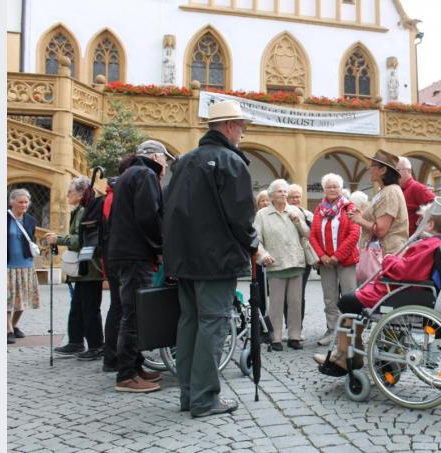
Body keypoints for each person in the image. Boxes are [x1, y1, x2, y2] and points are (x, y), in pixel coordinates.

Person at [163, 100, 257, 417]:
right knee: (212, 325)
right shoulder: (231, 162)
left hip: (185, 259)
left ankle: (189, 395)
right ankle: (204, 399)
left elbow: (168, 211)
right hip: (216, 260)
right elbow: (241, 216)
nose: (243, 133)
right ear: (228, 126)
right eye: (241, 127)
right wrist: (254, 245)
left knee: (189, 323)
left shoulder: (185, 161)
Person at [314, 200, 441, 372]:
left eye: (421, 220)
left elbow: (406, 271)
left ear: (430, 224)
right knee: (353, 303)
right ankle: (351, 351)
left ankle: (343, 355)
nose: (417, 224)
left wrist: (389, 259)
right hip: (411, 292)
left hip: (399, 292)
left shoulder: (429, 244)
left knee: (347, 302)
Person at [106, 139, 168, 393]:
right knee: (133, 314)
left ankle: (136, 366)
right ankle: (126, 375)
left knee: (132, 311)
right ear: (155, 156)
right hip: (135, 254)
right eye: (165, 158)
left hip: (125, 252)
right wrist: (159, 247)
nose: (166, 164)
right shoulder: (145, 174)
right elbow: (148, 215)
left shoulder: (129, 174)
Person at [45, 176, 105, 359]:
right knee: (78, 307)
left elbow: (83, 240)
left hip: (90, 267)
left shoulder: (86, 210)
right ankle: (76, 342)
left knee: (89, 309)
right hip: (83, 267)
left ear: (80, 194)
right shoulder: (81, 209)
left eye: (70, 192)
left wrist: (59, 239)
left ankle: (96, 346)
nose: (66, 195)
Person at [254, 179, 309, 352]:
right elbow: (256, 239)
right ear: (271, 195)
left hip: (296, 262)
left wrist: (298, 221)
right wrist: (263, 255)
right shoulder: (262, 215)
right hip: (276, 264)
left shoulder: (295, 211)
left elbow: (307, 234)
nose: (284, 194)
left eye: (285, 191)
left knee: (295, 302)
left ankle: (294, 336)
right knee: (276, 304)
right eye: (280, 191)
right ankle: (275, 337)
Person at [309, 173, 360, 347]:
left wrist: (337, 256)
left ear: (341, 188)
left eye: (335, 186)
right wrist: (322, 256)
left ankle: (350, 333)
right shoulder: (319, 209)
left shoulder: (349, 207)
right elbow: (313, 235)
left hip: (346, 260)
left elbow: (354, 234)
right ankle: (332, 330)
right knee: (329, 298)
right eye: (328, 186)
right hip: (325, 262)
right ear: (324, 189)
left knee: (349, 296)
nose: (332, 189)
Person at [101, 155, 138, 373]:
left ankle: (113, 356)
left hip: (114, 256)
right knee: (119, 308)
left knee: (118, 307)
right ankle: (112, 356)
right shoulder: (114, 195)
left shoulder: (112, 194)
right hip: (118, 257)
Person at [347, 150, 409, 256]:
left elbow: (381, 230)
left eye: (372, 165)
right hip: (384, 254)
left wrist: (359, 219)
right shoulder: (386, 191)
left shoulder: (390, 192)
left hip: (387, 255)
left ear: (383, 170)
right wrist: (361, 215)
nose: (368, 168)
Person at [7, 189, 41, 344]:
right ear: (12, 202)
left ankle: (13, 325)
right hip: (7, 265)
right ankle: (7, 330)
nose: (24, 205)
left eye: (26, 202)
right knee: (7, 299)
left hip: (26, 264)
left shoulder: (30, 220)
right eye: (20, 202)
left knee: (23, 299)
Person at [287, 183, 314, 333]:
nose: (295, 200)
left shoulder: (308, 214)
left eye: (298, 197)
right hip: (285, 258)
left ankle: (298, 327)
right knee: (284, 295)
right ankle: (288, 325)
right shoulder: (281, 213)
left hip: (303, 259)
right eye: (292, 197)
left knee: (298, 294)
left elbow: (312, 235)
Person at [396, 156, 436, 236]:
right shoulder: (400, 189)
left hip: (413, 239)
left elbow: (436, 204)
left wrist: (422, 220)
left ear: (409, 171)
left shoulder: (417, 187)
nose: (394, 174)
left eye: (397, 170)